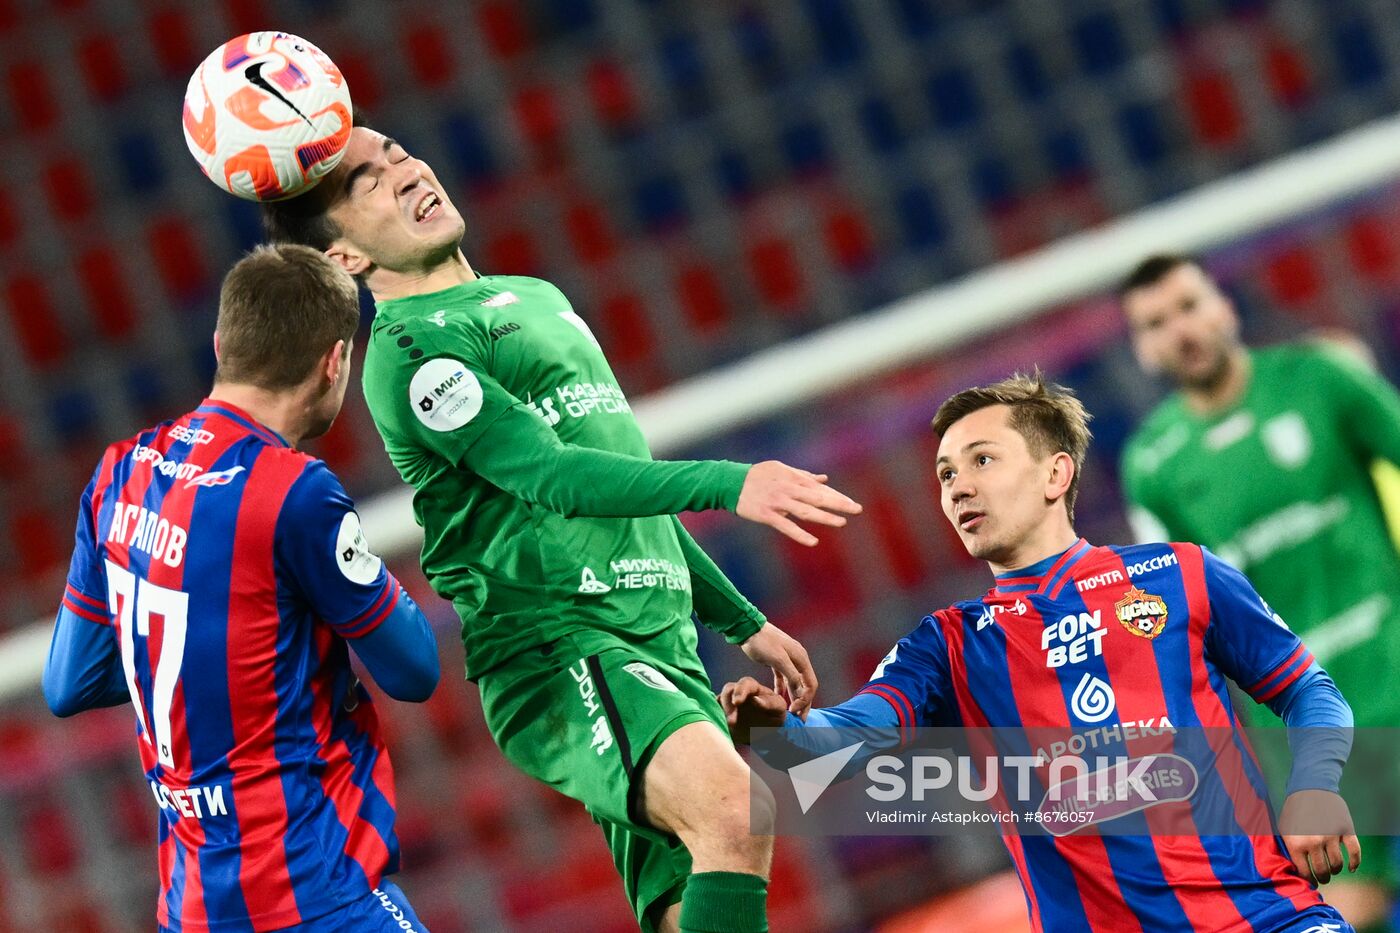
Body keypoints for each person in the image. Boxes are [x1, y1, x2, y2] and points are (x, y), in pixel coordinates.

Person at [261, 125, 862, 933]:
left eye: (398, 151)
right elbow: (551, 475)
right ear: (344, 259)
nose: (403, 173)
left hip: (652, 635)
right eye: (367, 183)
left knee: (695, 894)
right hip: (560, 647)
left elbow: (610, 474)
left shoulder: (535, 297)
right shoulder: (412, 354)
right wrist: (730, 482)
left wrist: (738, 617)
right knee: (736, 805)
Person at [723, 373, 1361, 933]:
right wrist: (775, 730)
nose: (957, 488)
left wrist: (1315, 788)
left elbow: (1309, 691)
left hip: (1269, 916)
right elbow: (833, 749)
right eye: (945, 473)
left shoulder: (1183, 574)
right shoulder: (948, 644)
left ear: (1057, 473)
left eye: (982, 461)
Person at [42, 244, 439, 933]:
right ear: (333, 362)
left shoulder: (117, 473)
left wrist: (221, 661)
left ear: (222, 342)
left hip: (192, 909)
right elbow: (415, 669)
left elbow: (68, 683)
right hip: (316, 897)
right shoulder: (295, 492)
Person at [1118, 254, 1400, 931]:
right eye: (1156, 323)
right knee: (1348, 910)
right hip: (1301, 737)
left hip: (1393, 675)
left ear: (1223, 305)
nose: (1179, 330)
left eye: (1188, 306)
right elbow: (1174, 621)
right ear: (1143, 348)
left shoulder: (1320, 378)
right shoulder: (1154, 465)